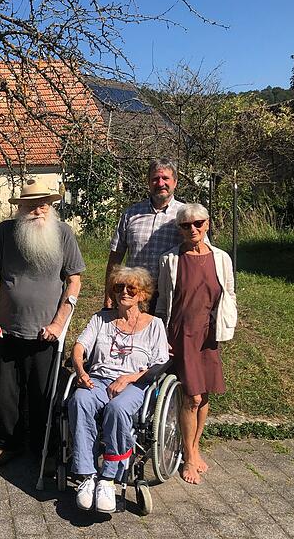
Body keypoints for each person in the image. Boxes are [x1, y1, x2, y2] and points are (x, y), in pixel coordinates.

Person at [0, 178, 85, 467]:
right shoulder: (5, 232)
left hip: (47, 332)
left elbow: (74, 281)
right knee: (8, 394)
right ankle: (10, 444)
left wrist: (59, 323)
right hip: (6, 328)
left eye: (43, 205)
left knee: (45, 394)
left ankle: (46, 450)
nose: (38, 211)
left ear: (50, 206)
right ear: (21, 208)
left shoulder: (63, 234)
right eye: (31, 206)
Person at [68, 266, 169, 513]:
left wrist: (129, 378)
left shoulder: (155, 325)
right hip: (99, 379)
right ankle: (88, 475)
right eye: (119, 287)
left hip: (136, 384)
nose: (124, 292)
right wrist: (81, 371)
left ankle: (109, 478)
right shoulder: (100, 319)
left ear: (142, 294)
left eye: (131, 288)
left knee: (117, 409)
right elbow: (80, 347)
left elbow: (161, 363)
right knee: (79, 400)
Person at [156, 203, 236, 485]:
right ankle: (188, 456)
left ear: (208, 224)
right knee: (192, 396)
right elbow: (164, 303)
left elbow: (229, 293)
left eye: (198, 224)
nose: (193, 229)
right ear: (179, 229)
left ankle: (195, 445)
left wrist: (227, 326)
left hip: (209, 334)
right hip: (182, 333)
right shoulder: (170, 260)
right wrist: (161, 335)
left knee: (206, 393)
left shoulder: (222, 258)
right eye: (186, 225)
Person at [104, 158, 184, 312]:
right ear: (148, 183)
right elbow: (115, 256)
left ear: (175, 182)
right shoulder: (131, 214)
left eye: (165, 178)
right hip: (135, 293)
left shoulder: (186, 215)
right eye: (155, 179)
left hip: (172, 296)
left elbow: (201, 253)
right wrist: (109, 296)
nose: (161, 183)